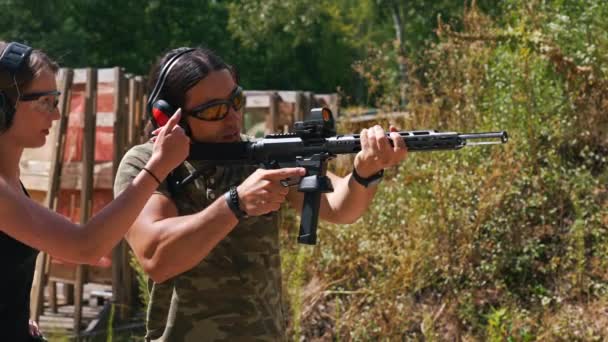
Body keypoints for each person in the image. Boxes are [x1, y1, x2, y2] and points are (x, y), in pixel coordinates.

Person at [114, 47, 407, 341]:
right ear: (167, 117)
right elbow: (157, 258)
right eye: (215, 110)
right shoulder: (146, 165)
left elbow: (339, 207)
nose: (232, 117)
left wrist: (366, 171)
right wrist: (236, 203)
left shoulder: (258, 155)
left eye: (236, 101)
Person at [0, 41, 190, 341]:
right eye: (45, 102)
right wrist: (156, 168)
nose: (56, 114)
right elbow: (85, 245)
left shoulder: (11, 182)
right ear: (2, 106)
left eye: (56, 99)